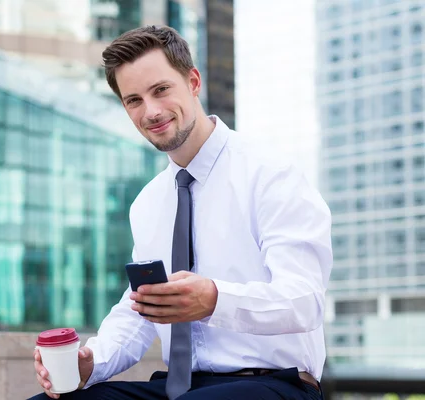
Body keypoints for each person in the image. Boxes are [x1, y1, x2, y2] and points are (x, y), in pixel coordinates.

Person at [30, 25, 331, 400]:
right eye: (134, 100)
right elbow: (140, 309)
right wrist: (93, 362)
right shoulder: (148, 203)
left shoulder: (270, 174)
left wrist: (215, 299)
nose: (151, 111)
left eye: (161, 90)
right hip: (181, 386)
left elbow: (304, 300)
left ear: (193, 81)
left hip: (273, 383)